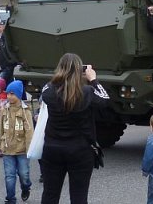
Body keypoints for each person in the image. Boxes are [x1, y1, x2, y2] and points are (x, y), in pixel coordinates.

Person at [40, 53, 110, 203]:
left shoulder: (49, 90)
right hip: (80, 149)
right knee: (79, 195)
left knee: (50, 194)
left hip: (52, 147)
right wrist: (93, 79)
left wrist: (59, 77)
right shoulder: (86, 92)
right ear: (80, 71)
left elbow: (46, 87)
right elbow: (104, 99)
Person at [0, 80, 34, 203]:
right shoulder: (4, 110)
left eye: (12, 93)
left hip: (22, 149)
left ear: (18, 94)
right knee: (9, 176)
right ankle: (10, 198)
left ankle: (26, 187)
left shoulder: (25, 111)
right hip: (7, 148)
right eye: (8, 93)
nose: (9, 96)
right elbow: (0, 128)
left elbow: (29, 132)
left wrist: (30, 149)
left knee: (24, 174)